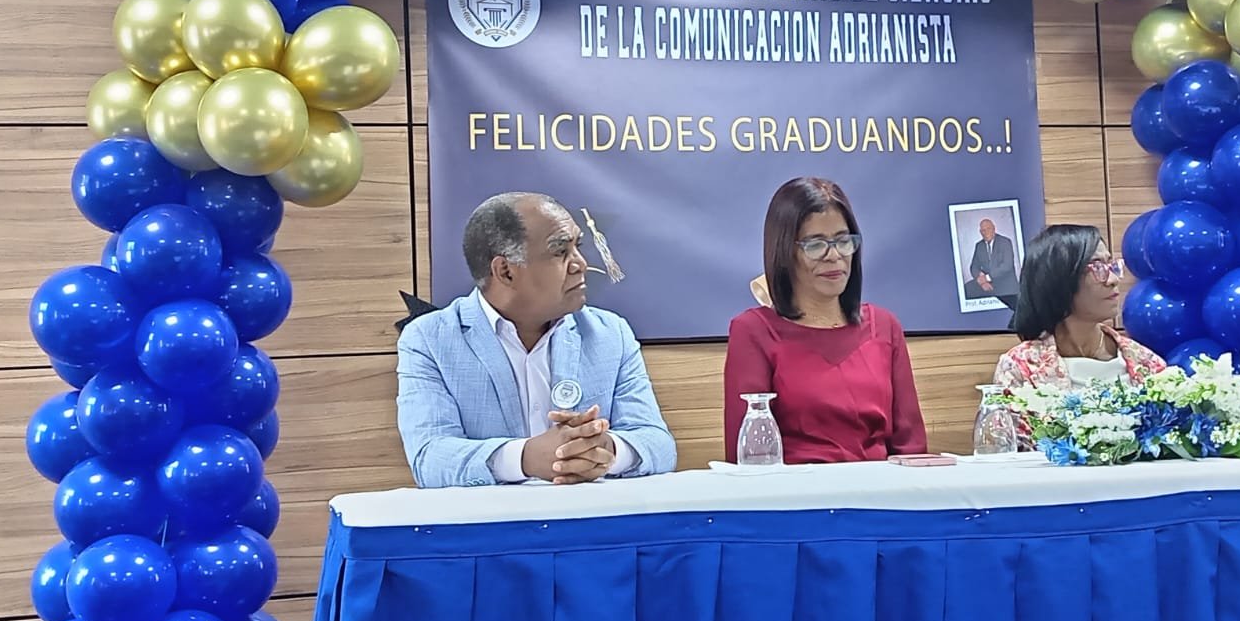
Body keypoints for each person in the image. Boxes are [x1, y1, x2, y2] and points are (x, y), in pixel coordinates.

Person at [396, 192, 677, 486]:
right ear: (505, 272)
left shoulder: (610, 333)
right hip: (496, 515)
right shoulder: (430, 340)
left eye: (578, 247)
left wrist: (606, 450)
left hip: (592, 512)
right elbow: (430, 459)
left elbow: (658, 444)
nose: (581, 264)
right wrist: (526, 458)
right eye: (560, 251)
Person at [723, 177, 927, 464]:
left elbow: (912, 449)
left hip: (881, 486)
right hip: (796, 489)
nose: (834, 256)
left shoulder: (884, 326)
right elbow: (748, 457)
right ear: (784, 251)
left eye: (843, 241)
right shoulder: (754, 331)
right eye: (816, 245)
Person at [994, 224, 1164, 390]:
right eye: (1097, 267)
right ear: (1059, 278)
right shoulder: (1020, 367)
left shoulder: (1144, 361)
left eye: (1111, 265)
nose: (1113, 279)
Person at [965, 218, 1019, 305]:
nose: (986, 232)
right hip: (987, 284)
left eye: (988, 229)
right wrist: (982, 281)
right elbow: (974, 266)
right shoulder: (979, 246)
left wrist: (986, 278)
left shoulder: (1005, 242)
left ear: (994, 228)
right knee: (967, 289)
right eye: (983, 230)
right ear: (980, 232)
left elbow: (1007, 266)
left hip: (1005, 285)